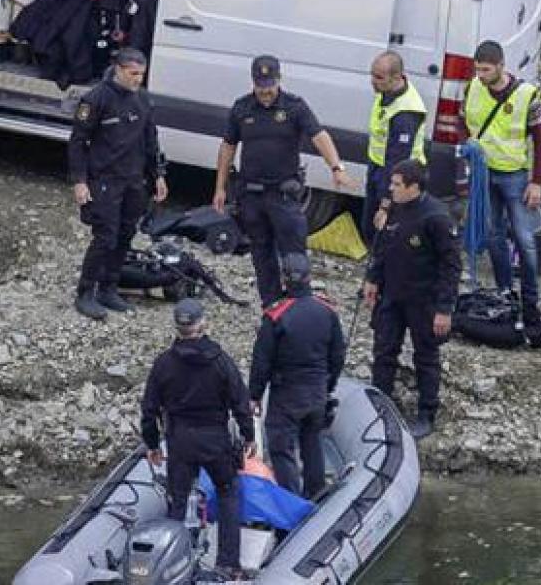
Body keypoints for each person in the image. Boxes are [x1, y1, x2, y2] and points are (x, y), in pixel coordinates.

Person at [214, 55, 355, 304]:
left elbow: (319, 136)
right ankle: (270, 304)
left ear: (279, 80)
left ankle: (299, 303)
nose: (265, 91)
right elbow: (228, 147)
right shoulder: (241, 108)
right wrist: (220, 187)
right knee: (261, 251)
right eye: (260, 85)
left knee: (294, 253)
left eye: (269, 85)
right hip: (252, 194)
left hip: (283, 194)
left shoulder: (294, 107)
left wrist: (336, 167)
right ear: (253, 82)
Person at [140, 298, 254, 581]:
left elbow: (149, 408)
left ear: (178, 327)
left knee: (177, 501)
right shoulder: (220, 361)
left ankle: (170, 564)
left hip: (179, 440)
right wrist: (248, 434)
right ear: (202, 323)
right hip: (215, 439)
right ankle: (228, 563)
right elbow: (240, 401)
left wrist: (152, 444)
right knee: (228, 493)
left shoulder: (163, 364)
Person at [69, 47, 168, 321]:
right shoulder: (96, 99)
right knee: (105, 237)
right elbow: (78, 142)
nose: (138, 79)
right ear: (119, 70)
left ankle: (108, 288)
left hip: (135, 180)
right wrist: (80, 181)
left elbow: (151, 140)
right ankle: (85, 292)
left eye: (142, 74)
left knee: (125, 234)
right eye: (133, 74)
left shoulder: (143, 100)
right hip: (104, 181)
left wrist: (158, 174)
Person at [364, 159, 460, 439]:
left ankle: (426, 413)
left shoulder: (436, 218)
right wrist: (373, 278)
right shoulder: (395, 209)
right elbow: (383, 246)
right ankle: (380, 404)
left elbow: (451, 266)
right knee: (384, 350)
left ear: (413, 187)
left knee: (426, 356)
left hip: (424, 300)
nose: (390, 189)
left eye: (396, 184)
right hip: (392, 294)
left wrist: (444, 308)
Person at [461, 40, 541, 321]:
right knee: (493, 234)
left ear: (501, 66)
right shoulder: (473, 87)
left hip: (513, 175)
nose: (481, 76)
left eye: (486, 70)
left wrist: (536, 182)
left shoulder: (527, 95)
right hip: (484, 172)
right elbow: (464, 119)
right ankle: (503, 291)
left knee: (524, 239)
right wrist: (469, 144)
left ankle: (530, 299)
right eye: (478, 70)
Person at [249, 253, 346, 497]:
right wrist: (329, 384)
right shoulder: (327, 312)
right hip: (316, 391)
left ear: (284, 280)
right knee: (312, 442)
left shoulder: (276, 316)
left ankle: (290, 499)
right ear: (310, 278)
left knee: (282, 449)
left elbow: (262, 361)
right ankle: (316, 492)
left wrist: (255, 395)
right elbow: (338, 356)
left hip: (286, 393)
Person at [362, 50, 429, 245]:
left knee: (384, 232)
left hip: (403, 176)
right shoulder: (387, 91)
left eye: (379, 77)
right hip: (379, 166)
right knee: (369, 229)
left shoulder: (405, 113)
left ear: (397, 77)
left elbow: (397, 161)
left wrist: (386, 203)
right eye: (372, 75)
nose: (373, 81)